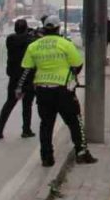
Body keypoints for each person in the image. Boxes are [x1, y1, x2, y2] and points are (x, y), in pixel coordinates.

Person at [17, 16, 97, 167]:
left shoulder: (34, 46)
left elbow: (27, 69)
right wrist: (71, 76)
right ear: (58, 28)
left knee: (46, 125)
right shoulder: (65, 44)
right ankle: (81, 152)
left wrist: (20, 88)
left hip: (42, 90)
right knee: (75, 121)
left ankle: (47, 158)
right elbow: (78, 64)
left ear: (43, 28)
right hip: (63, 90)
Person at [0, 19, 37, 140]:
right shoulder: (30, 41)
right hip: (27, 76)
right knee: (27, 104)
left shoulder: (10, 40)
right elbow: (30, 40)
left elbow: (20, 38)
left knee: (10, 103)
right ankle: (26, 129)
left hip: (14, 76)